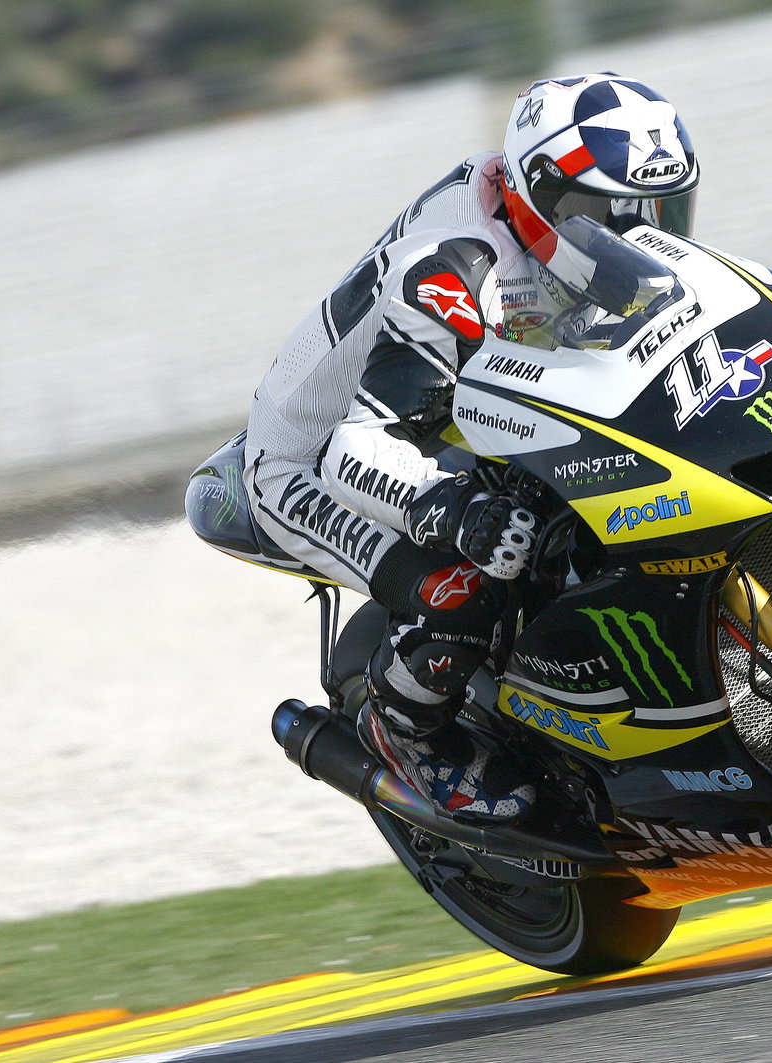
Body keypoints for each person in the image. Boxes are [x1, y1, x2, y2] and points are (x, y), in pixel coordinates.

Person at [241, 74, 700, 824]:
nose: (637, 236)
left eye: (658, 210)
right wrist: (457, 513)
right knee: (465, 585)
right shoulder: (454, 270)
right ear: (545, 195)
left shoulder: (541, 212)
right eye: (607, 215)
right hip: (309, 460)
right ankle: (409, 737)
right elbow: (354, 442)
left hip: (453, 408)